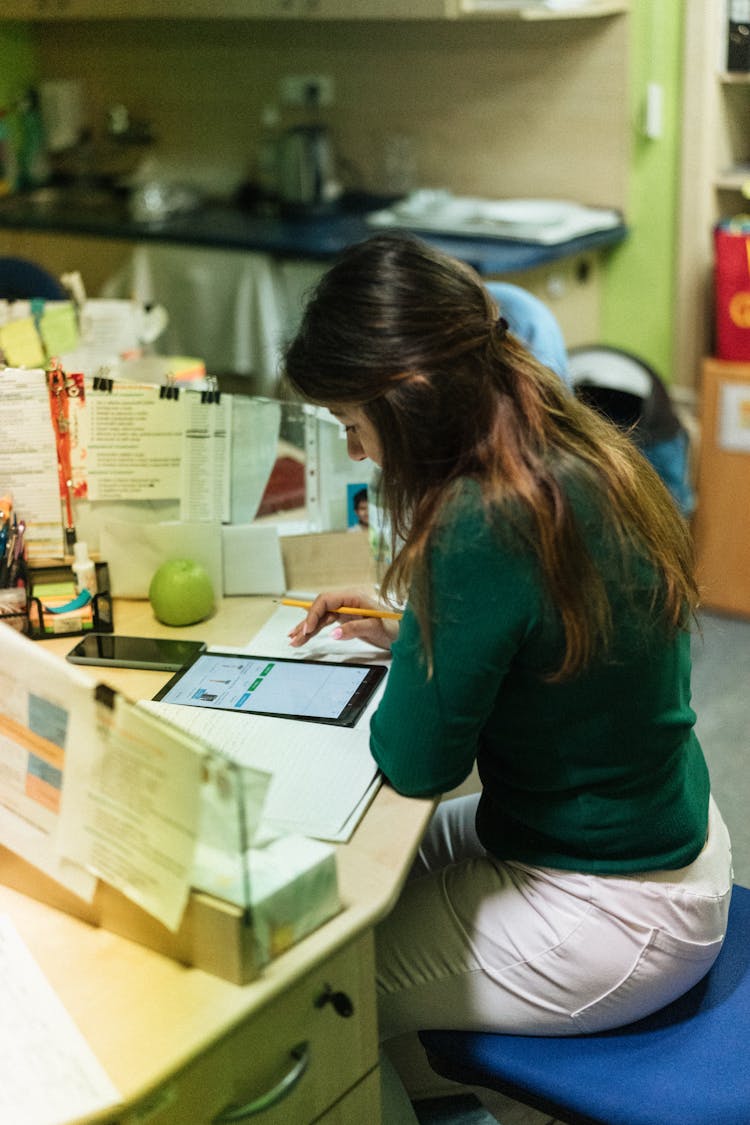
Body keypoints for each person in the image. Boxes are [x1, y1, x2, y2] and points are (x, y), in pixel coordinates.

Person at [282, 232, 732, 1073]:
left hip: (616, 903)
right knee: (363, 882)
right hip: (655, 829)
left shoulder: (480, 518)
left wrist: (431, 636)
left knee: (315, 985)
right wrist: (420, 628)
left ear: (406, 399)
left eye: (352, 424)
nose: (353, 452)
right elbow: (549, 635)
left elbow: (416, 763)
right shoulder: (567, 442)